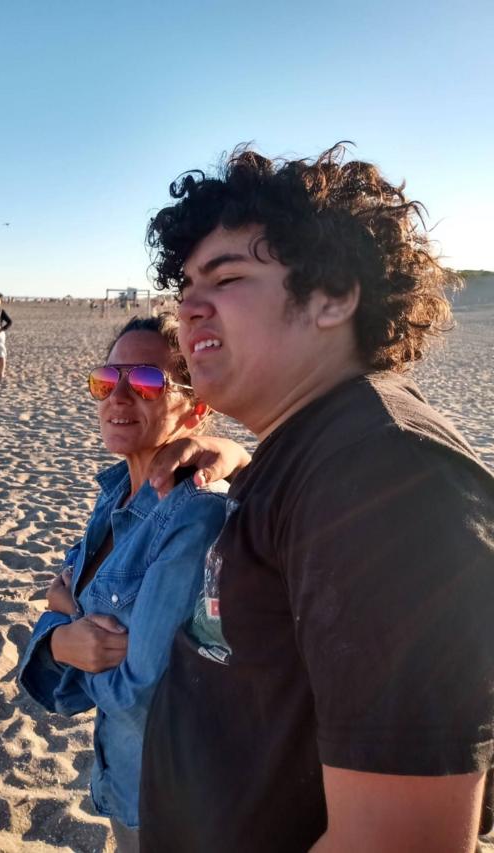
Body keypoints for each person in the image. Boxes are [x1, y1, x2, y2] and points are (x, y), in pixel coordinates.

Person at [139, 145, 494, 852]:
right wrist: (244, 464)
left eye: (227, 275)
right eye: (184, 286)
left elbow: (396, 841)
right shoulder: (321, 451)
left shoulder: (387, 478)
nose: (188, 305)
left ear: (333, 295)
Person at [18, 314, 230, 853]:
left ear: (196, 405)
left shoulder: (193, 517)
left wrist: (60, 632)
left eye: (146, 382)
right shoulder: (114, 495)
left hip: (175, 804)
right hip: (122, 782)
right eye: (106, 380)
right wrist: (66, 639)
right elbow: (64, 693)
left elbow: (142, 694)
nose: (118, 397)